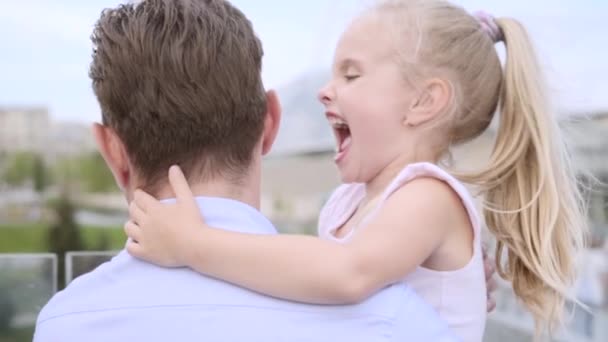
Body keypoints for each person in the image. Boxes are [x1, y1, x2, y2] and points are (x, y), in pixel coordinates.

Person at [125, 0, 588, 341]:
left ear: (425, 101)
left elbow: (345, 275)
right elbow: (310, 281)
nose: (326, 91)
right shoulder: (349, 202)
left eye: (351, 75)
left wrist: (193, 244)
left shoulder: (428, 196)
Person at [32, 0, 461, 341]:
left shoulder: (64, 324)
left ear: (113, 151)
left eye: (351, 75)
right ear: (270, 122)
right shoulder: (395, 319)